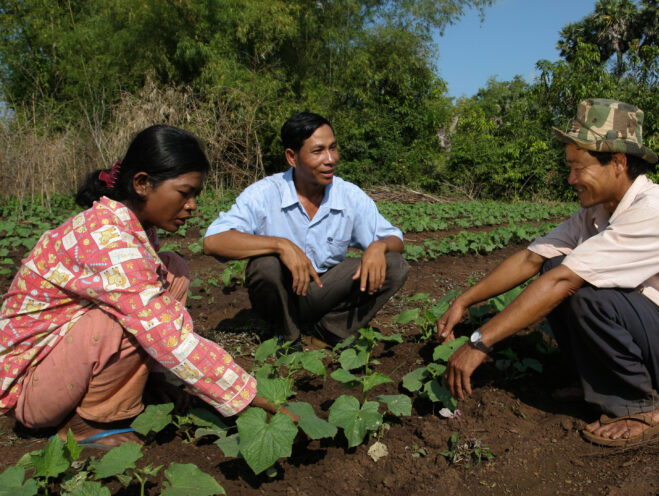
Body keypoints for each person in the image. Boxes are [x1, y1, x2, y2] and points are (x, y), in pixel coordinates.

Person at [436, 98, 659, 447]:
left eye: (579, 167)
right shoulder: (598, 211)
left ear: (618, 163)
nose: (570, 178)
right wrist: (464, 301)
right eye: (569, 166)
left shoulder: (653, 212)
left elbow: (564, 282)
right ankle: (600, 382)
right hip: (652, 334)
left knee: (583, 288)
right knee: (554, 265)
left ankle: (638, 406)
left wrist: (480, 341)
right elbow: (532, 259)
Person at [0, 125, 277, 447]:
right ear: (142, 183)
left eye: (195, 196)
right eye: (184, 193)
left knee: (171, 271)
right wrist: (246, 395)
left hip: (58, 363)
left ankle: (135, 387)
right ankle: (85, 423)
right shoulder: (108, 240)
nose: (192, 206)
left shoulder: (131, 227)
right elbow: (164, 333)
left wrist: (156, 376)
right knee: (133, 318)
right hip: (27, 388)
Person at [203, 112, 408, 347]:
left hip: (326, 292)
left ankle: (329, 331)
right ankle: (288, 336)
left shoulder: (349, 195)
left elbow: (396, 239)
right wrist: (280, 245)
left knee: (394, 264)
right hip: (283, 295)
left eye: (333, 148)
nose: (330, 159)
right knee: (265, 265)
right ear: (292, 157)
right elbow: (213, 241)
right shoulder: (265, 193)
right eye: (318, 151)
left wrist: (379, 245)